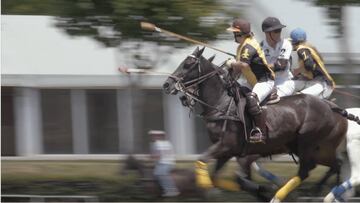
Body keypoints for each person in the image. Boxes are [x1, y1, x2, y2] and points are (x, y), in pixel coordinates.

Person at [225, 18, 275, 143]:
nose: (234, 35)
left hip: (264, 81)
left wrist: (231, 64)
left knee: (252, 99)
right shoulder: (241, 47)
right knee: (234, 92)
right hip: (251, 81)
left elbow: (244, 65)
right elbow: (239, 70)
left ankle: (260, 132)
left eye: (234, 32)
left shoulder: (248, 46)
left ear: (240, 33)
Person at [290, 27, 335, 99]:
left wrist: (298, 71)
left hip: (323, 85)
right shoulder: (308, 48)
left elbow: (309, 65)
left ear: (293, 41)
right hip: (317, 83)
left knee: (298, 98)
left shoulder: (301, 49)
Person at [261, 17, 294, 97]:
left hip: (284, 82)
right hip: (267, 82)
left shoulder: (286, 44)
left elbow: (281, 65)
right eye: (276, 31)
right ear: (267, 33)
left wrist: (261, 66)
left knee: (271, 97)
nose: (279, 33)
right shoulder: (260, 47)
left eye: (280, 30)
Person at [149, 130, 179, 197]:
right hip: (170, 162)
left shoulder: (157, 144)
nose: (153, 137)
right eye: (153, 136)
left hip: (164, 163)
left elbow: (157, 156)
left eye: (154, 136)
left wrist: (151, 157)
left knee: (159, 173)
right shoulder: (168, 143)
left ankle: (171, 190)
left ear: (159, 136)